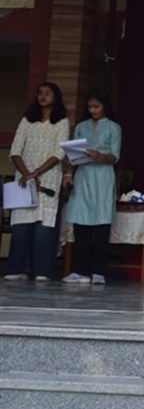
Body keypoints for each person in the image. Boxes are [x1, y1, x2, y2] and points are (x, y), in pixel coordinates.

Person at [6, 83, 69, 282]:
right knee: (21, 227)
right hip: (24, 181)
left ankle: (41, 271)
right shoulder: (27, 120)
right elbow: (15, 150)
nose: (43, 96)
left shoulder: (62, 122)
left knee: (44, 228)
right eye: (40, 93)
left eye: (47, 93)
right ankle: (17, 269)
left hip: (47, 179)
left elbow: (59, 152)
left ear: (56, 97)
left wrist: (37, 173)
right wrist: (27, 174)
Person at [62, 89, 122, 284]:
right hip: (83, 176)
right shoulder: (81, 127)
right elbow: (72, 155)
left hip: (103, 177)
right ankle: (79, 270)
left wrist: (100, 156)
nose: (93, 110)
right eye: (90, 107)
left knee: (101, 225)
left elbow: (115, 157)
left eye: (96, 106)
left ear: (104, 106)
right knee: (81, 224)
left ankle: (99, 271)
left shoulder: (113, 127)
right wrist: (68, 174)